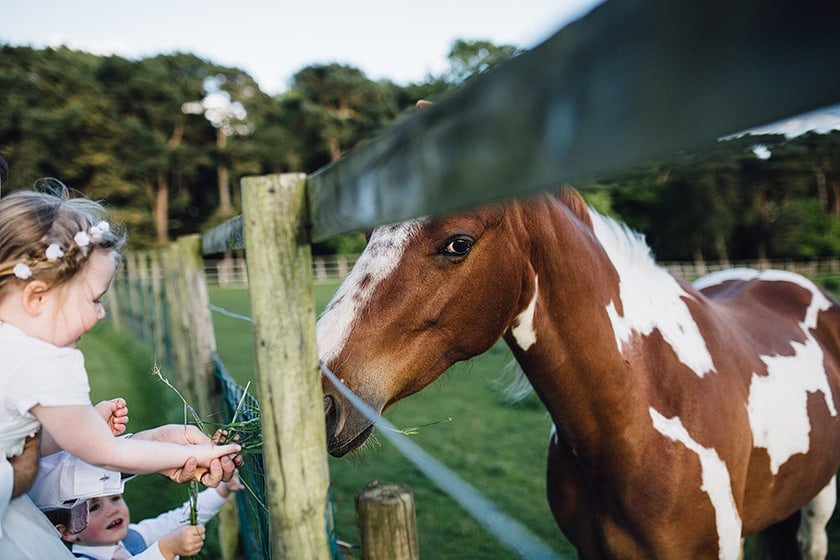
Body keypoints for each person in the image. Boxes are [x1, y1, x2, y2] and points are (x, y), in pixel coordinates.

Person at [0, 182, 241, 557]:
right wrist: (201, 454)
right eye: (94, 300)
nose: (101, 314)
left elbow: (13, 441)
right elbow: (105, 453)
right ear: (36, 298)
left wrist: (75, 429)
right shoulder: (45, 360)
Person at [31, 451, 243, 560]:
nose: (112, 510)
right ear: (67, 532)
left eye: (115, 498)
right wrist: (165, 550)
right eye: (94, 508)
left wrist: (220, 491)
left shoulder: (133, 537)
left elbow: (177, 519)